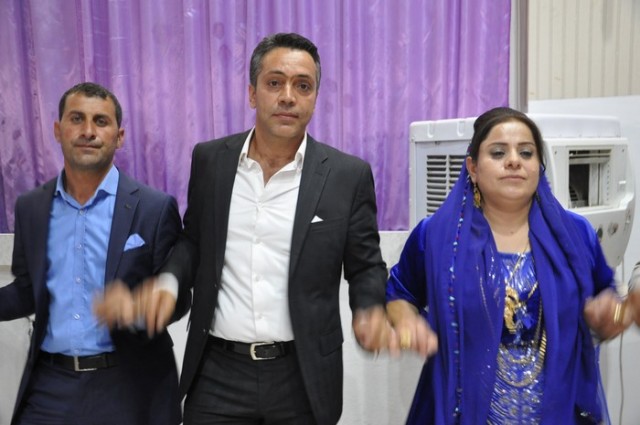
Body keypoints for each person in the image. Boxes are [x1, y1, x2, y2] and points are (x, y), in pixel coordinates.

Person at [139, 32, 394, 425]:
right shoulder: (211, 160)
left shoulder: (347, 175)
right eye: (275, 83)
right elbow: (193, 241)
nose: (288, 97)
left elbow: (365, 266)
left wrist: (370, 308)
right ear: (252, 93)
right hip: (217, 372)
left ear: (315, 97)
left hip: (303, 375)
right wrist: (169, 281)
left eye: (302, 86)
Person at [386, 106, 633, 424]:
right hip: (463, 412)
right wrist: (407, 323)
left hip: (557, 413)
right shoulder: (436, 236)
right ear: (473, 168)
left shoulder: (575, 235)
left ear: (539, 167)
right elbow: (400, 294)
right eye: (498, 152)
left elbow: (607, 298)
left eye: (526, 152)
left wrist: (613, 315)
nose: (514, 160)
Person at [0, 82, 182, 425]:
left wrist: (141, 307)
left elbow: (178, 296)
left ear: (119, 136)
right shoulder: (31, 207)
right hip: (50, 388)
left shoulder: (154, 208)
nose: (88, 131)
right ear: (58, 130)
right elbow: (26, 291)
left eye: (101, 121)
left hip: (129, 386)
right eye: (76, 119)